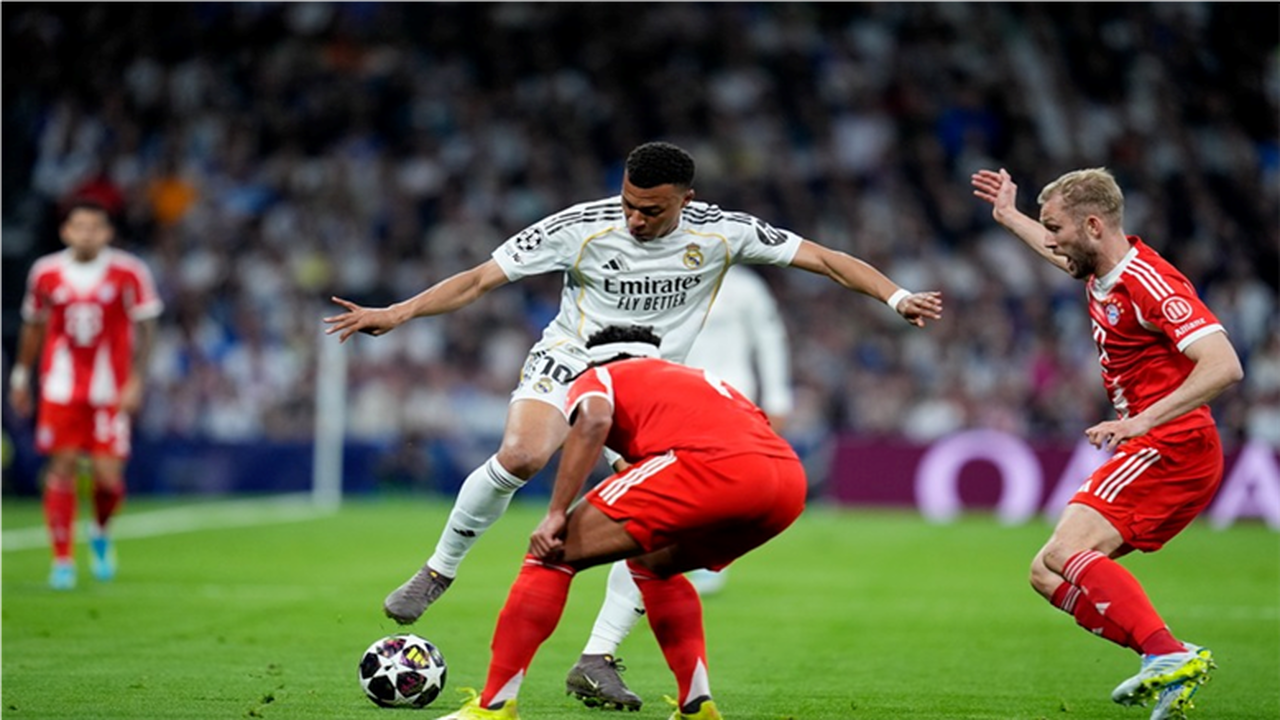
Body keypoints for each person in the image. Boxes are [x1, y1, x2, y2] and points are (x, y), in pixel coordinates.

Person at [325, 141, 942, 707]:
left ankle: (598, 655)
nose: (635, 219)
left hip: (649, 384)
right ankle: (439, 569)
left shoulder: (723, 232)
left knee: (653, 536)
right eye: (628, 204)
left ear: (686, 201)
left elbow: (826, 260)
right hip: (572, 361)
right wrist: (399, 313)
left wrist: (896, 297)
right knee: (523, 455)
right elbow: (480, 278)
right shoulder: (580, 227)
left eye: (651, 210)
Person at [971, 167, 1242, 720]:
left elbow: (1224, 364)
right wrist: (1009, 217)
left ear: (1093, 226)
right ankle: (1166, 655)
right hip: (1165, 445)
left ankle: (1166, 654)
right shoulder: (1102, 268)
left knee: (1064, 552)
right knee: (1046, 572)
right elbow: (1059, 255)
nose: (1051, 241)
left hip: (1171, 444)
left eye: (1056, 228)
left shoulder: (1150, 282)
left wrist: (1142, 421)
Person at [436, 324, 807, 720]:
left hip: (713, 467)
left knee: (551, 552)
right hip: (787, 482)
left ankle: (494, 706)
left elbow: (594, 421)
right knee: (654, 564)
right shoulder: (696, 378)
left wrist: (557, 512)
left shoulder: (601, 374)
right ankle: (697, 706)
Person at [562, 265, 793, 706]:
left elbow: (769, 339)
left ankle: (595, 657)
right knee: (650, 536)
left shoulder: (743, 285)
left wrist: (779, 397)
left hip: (725, 407)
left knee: (653, 538)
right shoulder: (652, 277)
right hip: (662, 409)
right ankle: (598, 657)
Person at [9, 198, 163, 590]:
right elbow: (33, 324)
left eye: (95, 227)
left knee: (108, 477)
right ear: (66, 231)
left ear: (107, 233)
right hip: (61, 386)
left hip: (110, 390)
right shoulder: (46, 272)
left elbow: (147, 327)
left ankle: (99, 530)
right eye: (79, 227)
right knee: (61, 467)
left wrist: (136, 380)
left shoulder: (129, 271)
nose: (87, 234)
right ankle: (62, 560)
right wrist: (21, 376)